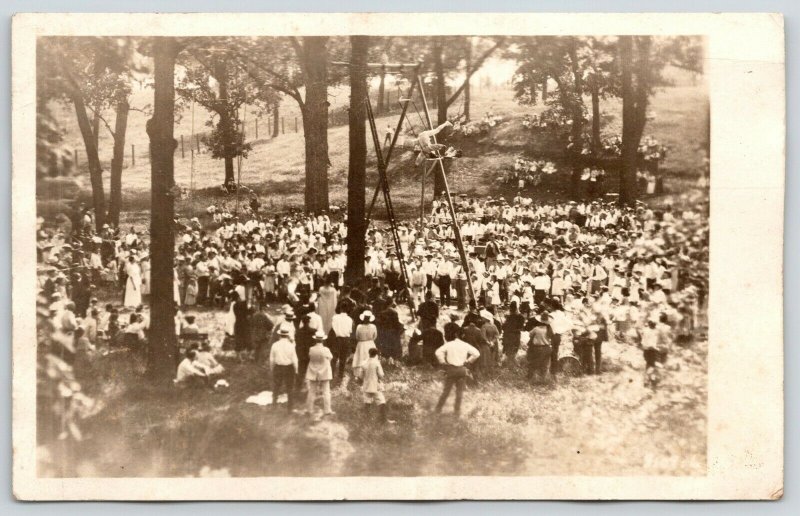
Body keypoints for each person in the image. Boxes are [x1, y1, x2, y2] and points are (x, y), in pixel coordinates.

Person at [434, 324, 480, 416]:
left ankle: (437, 410)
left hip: (451, 369)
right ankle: (456, 412)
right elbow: (476, 353)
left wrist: (443, 362)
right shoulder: (465, 345)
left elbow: (438, 352)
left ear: (455, 335)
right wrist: (468, 361)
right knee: (459, 392)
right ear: (462, 335)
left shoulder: (449, 344)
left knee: (446, 391)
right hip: (462, 369)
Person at [305, 330, 334, 418]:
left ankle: (309, 409)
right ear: (323, 340)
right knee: (326, 391)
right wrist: (325, 362)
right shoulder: (326, 350)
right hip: (324, 371)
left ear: (315, 340)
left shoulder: (311, 349)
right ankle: (327, 410)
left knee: (312, 391)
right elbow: (330, 358)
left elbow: (310, 357)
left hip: (313, 371)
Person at [269, 323, 298, 412]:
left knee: (276, 387)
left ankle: (274, 406)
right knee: (290, 388)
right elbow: (294, 359)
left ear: (280, 335)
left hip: (278, 367)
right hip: (289, 368)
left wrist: (272, 368)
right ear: (287, 335)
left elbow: (271, 359)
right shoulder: (291, 346)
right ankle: (290, 408)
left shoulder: (275, 345)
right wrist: (296, 370)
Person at [362, 348, 395, 423]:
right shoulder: (376, 363)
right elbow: (381, 375)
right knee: (381, 401)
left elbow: (361, 375)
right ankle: (383, 420)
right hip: (375, 385)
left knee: (367, 401)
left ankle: (366, 420)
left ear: (369, 353)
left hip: (366, 385)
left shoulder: (364, 363)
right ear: (376, 354)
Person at [328, 306, 353, 381]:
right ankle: (340, 374)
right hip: (346, 339)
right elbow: (350, 331)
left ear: (341, 309)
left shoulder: (335, 317)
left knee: (334, 357)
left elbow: (333, 328)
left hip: (337, 338)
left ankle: (331, 374)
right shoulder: (349, 319)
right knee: (343, 357)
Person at [352, 311, 378, 380]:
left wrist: (362, 340)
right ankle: (370, 373)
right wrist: (370, 340)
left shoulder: (359, 327)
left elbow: (357, 337)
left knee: (360, 358)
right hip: (370, 343)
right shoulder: (373, 326)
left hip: (361, 344)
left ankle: (359, 374)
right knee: (369, 358)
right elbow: (375, 336)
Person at [526, 314, 552, 382]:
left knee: (533, 363)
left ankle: (530, 378)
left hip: (538, 348)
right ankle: (542, 379)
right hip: (547, 348)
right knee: (545, 365)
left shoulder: (536, 329)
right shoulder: (549, 329)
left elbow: (530, 335)